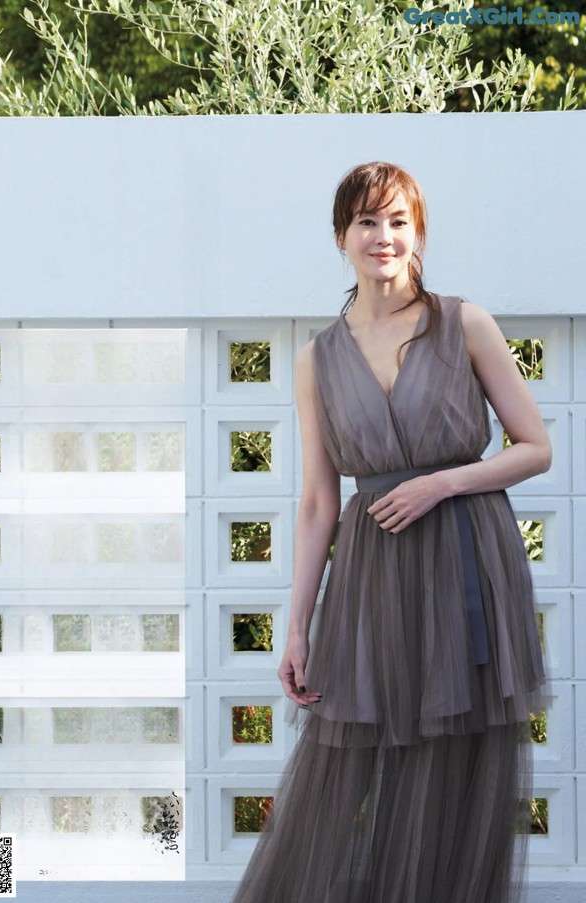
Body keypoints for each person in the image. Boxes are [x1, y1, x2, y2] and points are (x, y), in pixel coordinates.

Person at [231, 161, 550, 903]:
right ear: (341, 237)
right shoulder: (316, 359)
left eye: (399, 221)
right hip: (373, 566)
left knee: (459, 756)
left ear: (419, 233)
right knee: (354, 751)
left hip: (467, 552)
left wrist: (444, 482)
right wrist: (297, 629)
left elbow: (536, 448)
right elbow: (319, 501)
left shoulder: (465, 323)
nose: (384, 236)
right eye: (367, 221)